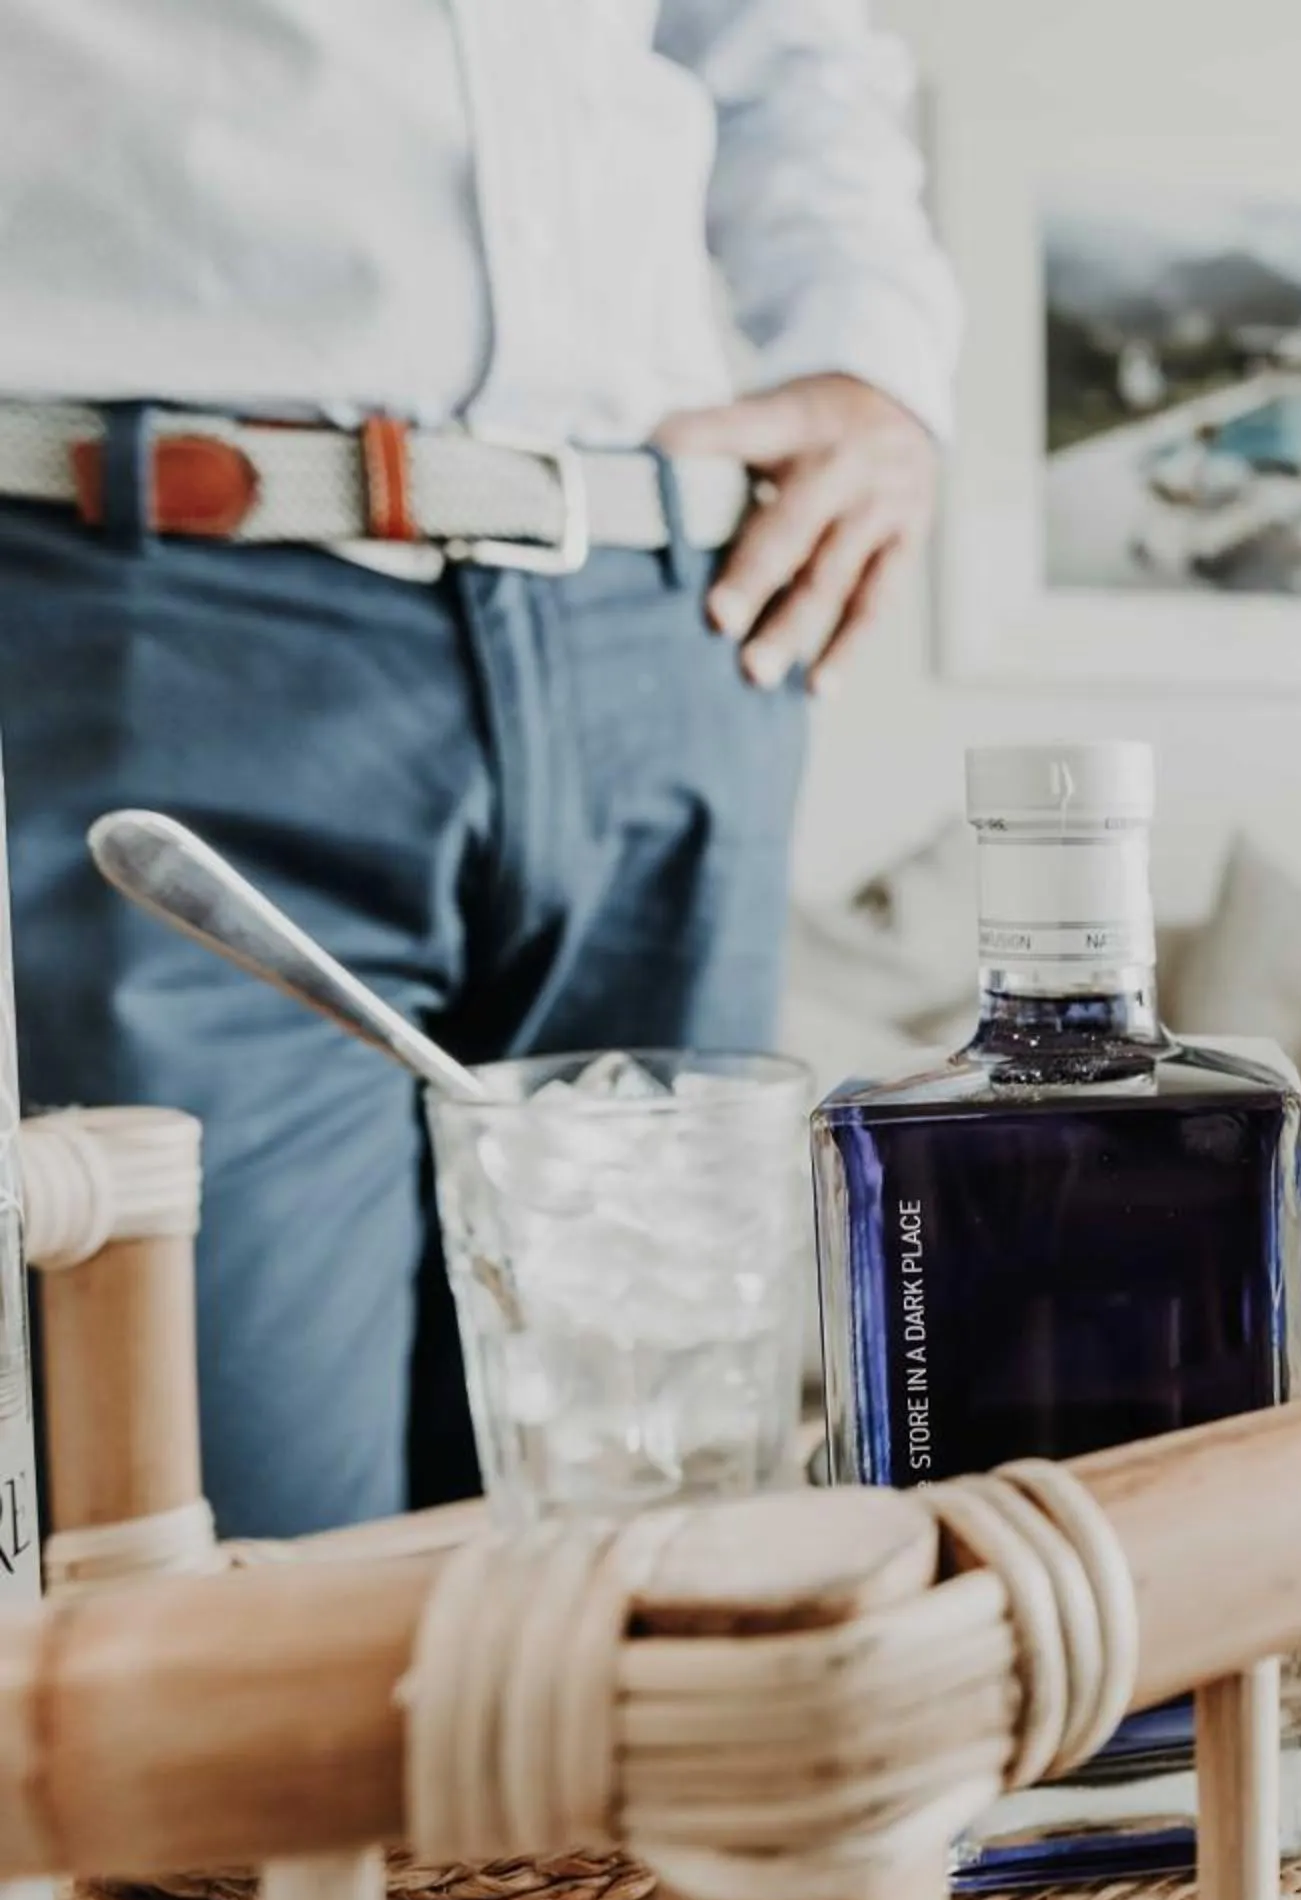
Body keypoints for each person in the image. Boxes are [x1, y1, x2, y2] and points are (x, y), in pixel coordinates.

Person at [0, 1, 962, 1537]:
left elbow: (789, 44)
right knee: (250, 1573)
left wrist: (878, 360)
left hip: (679, 618)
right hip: (171, 611)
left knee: (653, 1539)